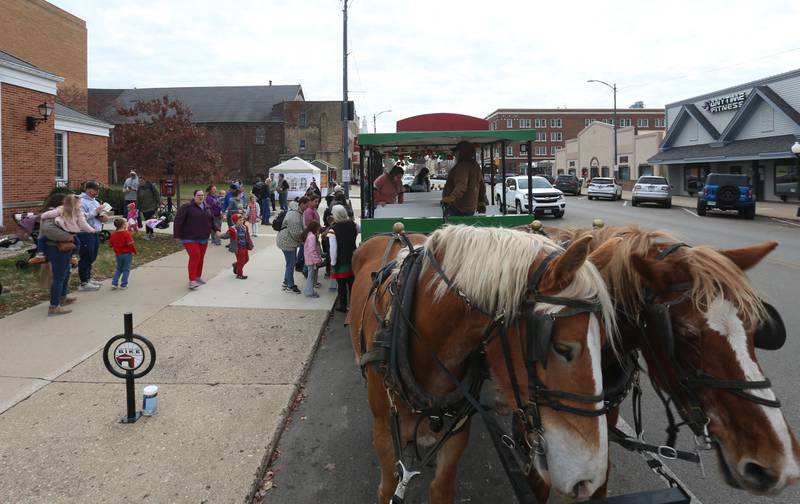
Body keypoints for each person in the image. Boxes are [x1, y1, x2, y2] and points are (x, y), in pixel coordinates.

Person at [173, 189, 217, 289]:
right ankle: (192, 280)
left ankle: (198, 277)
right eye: (198, 195)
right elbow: (178, 221)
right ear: (194, 196)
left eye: (202, 195)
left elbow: (211, 220)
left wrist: (216, 229)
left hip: (203, 237)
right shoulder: (187, 207)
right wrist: (176, 235)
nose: (201, 197)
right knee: (195, 256)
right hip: (189, 238)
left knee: (200, 258)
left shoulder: (207, 207)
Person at [441, 141, 487, 218]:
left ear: (461, 152)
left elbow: (461, 185)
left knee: (454, 229)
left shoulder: (462, 166)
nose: (454, 154)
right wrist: (481, 202)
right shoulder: (475, 165)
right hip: (470, 207)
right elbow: (481, 186)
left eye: (456, 152)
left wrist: (451, 198)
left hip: (458, 207)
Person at [78, 181, 109, 291]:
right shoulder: (80, 201)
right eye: (96, 190)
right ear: (89, 190)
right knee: (86, 257)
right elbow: (82, 218)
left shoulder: (96, 202)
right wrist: (96, 212)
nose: (98, 192)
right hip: (84, 233)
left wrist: (103, 217)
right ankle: (83, 282)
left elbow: (98, 215)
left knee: (92, 256)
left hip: (96, 232)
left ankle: (88, 278)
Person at [329, 205, 359, 312]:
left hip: (341, 261)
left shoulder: (333, 230)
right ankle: (354, 305)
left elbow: (333, 249)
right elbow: (359, 230)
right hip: (352, 259)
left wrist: (333, 263)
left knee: (341, 286)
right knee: (352, 284)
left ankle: (343, 306)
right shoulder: (354, 225)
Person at [276, 198, 306, 294]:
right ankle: (290, 286)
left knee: (290, 263)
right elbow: (296, 232)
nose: (307, 208)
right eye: (306, 205)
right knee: (291, 264)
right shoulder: (294, 215)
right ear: (301, 204)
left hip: (287, 241)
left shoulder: (297, 212)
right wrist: (303, 239)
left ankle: (286, 282)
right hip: (287, 242)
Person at [108, 217, 137, 290]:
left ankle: (114, 283)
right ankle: (123, 284)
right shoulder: (126, 234)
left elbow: (110, 245)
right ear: (123, 225)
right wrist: (134, 251)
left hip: (118, 254)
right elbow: (130, 244)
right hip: (127, 254)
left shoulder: (113, 234)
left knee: (119, 269)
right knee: (126, 269)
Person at [228, 213, 253, 279]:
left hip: (245, 246)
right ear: (235, 222)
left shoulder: (245, 227)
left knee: (246, 259)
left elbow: (247, 236)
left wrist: (250, 243)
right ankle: (239, 274)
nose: (242, 221)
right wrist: (219, 235)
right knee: (241, 261)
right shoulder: (232, 229)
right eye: (239, 220)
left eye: (242, 220)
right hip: (238, 248)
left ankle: (236, 265)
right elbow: (227, 235)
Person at [302, 221, 323, 298]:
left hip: (309, 259)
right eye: (318, 229)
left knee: (311, 276)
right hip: (311, 261)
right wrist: (317, 261)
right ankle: (309, 292)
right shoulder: (312, 237)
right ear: (315, 228)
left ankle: (309, 290)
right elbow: (312, 250)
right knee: (311, 277)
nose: (319, 231)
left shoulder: (309, 235)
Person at [137, 175, 161, 240]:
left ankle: (149, 234)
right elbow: (138, 197)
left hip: (151, 206)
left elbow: (157, 194)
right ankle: (151, 234)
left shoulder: (150, 186)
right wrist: (138, 206)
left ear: (145, 180)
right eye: (139, 181)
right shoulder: (139, 188)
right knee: (148, 221)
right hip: (144, 207)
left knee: (149, 221)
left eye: (141, 181)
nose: (140, 182)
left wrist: (159, 203)